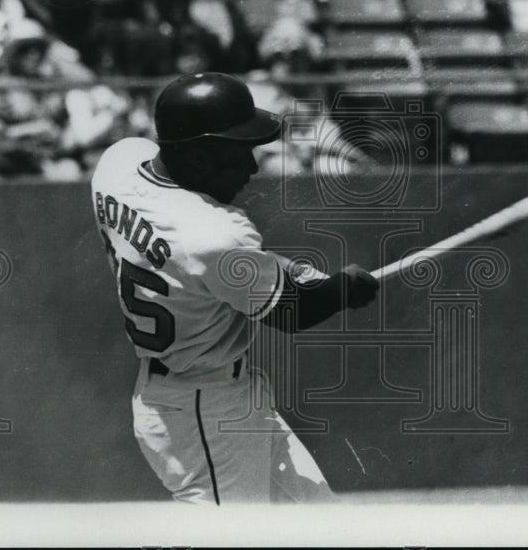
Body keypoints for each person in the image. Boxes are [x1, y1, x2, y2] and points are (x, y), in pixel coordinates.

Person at [90, 72, 379, 504]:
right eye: (238, 152)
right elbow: (292, 313)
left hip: (202, 397)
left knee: (320, 525)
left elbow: (201, 259)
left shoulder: (119, 162)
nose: (251, 167)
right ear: (200, 155)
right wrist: (344, 288)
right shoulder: (215, 232)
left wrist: (286, 272)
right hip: (204, 407)